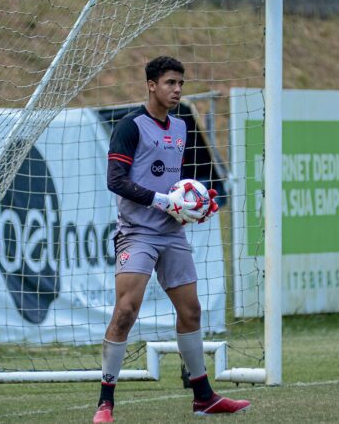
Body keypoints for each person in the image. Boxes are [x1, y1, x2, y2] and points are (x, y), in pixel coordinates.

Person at [93, 56, 250, 423]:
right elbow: (115, 181)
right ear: (151, 85)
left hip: (172, 232)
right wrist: (163, 200)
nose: (177, 89)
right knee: (126, 312)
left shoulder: (181, 127)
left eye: (180, 83)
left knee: (191, 311)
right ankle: (105, 403)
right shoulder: (130, 126)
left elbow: (186, 183)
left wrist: (198, 204)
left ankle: (203, 397)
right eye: (169, 83)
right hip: (138, 232)